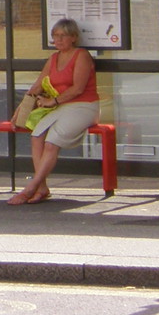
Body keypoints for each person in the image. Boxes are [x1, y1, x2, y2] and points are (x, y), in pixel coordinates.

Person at [9, 18, 99, 205]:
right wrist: (21, 110)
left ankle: (31, 188)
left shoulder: (81, 55)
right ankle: (42, 187)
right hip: (61, 107)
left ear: (73, 37)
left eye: (62, 36)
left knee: (51, 143)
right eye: (55, 36)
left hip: (83, 106)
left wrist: (52, 101)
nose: (58, 40)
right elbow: (38, 85)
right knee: (37, 136)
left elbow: (78, 88)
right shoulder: (54, 58)